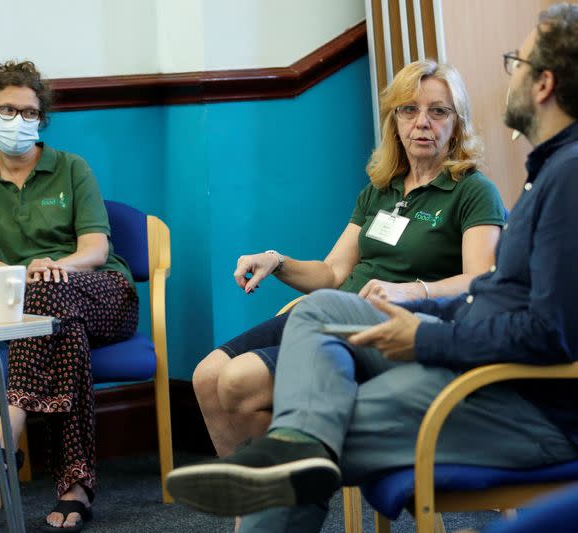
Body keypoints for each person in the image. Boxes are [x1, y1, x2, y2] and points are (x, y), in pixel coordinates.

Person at [165, 4, 578, 532]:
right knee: (321, 310)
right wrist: (427, 316)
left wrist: (425, 335)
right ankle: (293, 447)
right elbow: (498, 294)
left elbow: (552, 336)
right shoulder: (567, 168)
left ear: (543, 84)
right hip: (485, 372)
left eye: (516, 62)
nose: (511, 75)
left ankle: (289, 453)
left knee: (303, 438)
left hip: (519, 406)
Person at [193, 59, 506, 460]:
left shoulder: (473, 191)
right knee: (207, 377)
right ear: (394, 120)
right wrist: (278, 261)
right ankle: (254, 509)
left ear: (457, 122)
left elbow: (480, 278)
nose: (422, 122)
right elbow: (333, 272)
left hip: (386, 330)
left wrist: (411, 290)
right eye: (409, 110)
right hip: (330, 309)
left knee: (238, 380)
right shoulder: (380, 189)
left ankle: (285, 495)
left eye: (438, 111)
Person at [0, 61, 137, 532]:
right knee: (63, 332)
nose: (18, 120)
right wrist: (25, 278)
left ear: (41, 120)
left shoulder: (72, 168)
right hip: (38, 308)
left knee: (52, 297)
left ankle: (7, 427)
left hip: (105, 295)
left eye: (29, 112)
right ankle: (75, 488)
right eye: (7, 109)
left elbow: (96, 249)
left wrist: (55, 267)